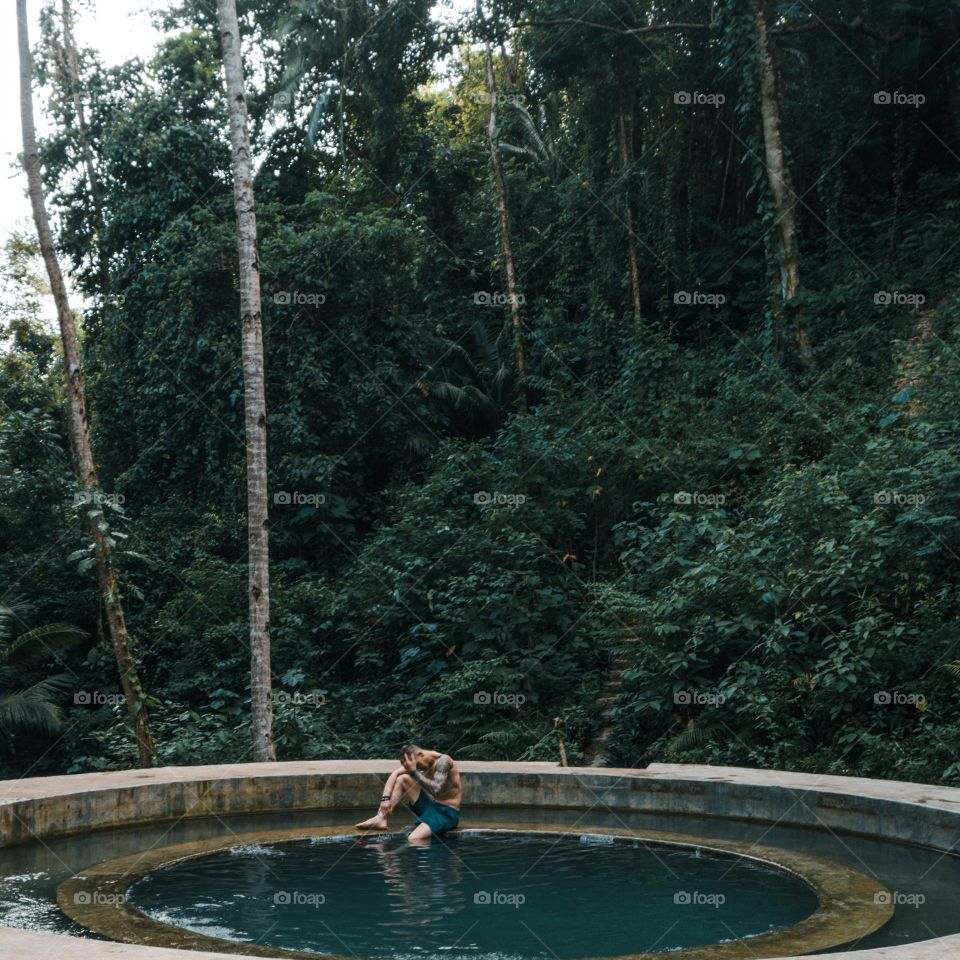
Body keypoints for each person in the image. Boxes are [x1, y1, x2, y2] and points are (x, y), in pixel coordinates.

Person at [356, 745, 461, 841]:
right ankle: (381, 818)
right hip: (431, 807)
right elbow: (395, 774)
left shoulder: (443, 761)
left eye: (417, 765)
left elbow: (436, 790)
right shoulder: (419, 760)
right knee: (403, 779)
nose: (418, 768)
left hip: (446, 814)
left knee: (413, 839)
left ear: (420, 755)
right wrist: (385, 799)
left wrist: (414, 772)